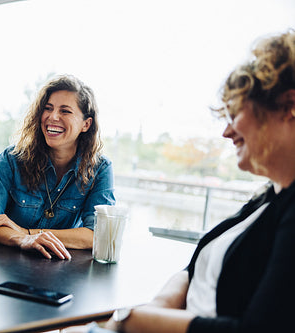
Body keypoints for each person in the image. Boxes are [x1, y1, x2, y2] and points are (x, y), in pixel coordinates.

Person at [66, 30, 295, 333]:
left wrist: (132, 321)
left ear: (289, 106)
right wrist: (157, 308)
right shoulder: (267, 199)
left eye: (235, 114)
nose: (226, 133)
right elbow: (194, 268)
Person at [0, 75, 115, 259]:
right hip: (3, 264)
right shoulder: (12, 159)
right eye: (48, 108)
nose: (53, 117)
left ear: (86, 124)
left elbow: (98, 235)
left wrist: (27, 232)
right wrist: (21, 239)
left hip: (61, 271)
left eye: (65, 111)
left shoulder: (100, 169)